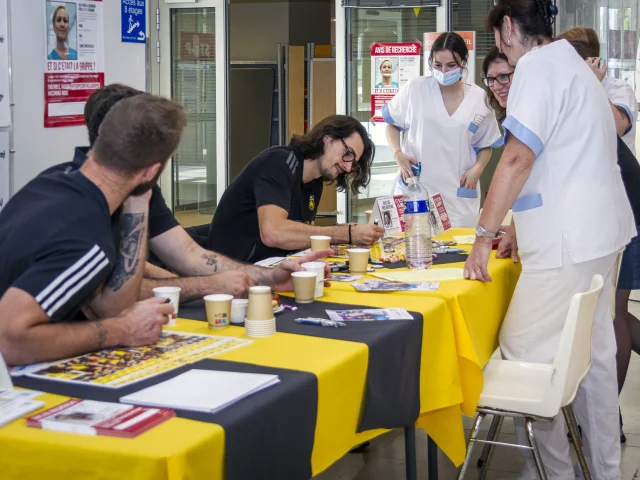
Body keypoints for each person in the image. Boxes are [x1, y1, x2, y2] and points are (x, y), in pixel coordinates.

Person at [464, 1, 635, 478]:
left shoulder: (537, 68)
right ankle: (603, 471)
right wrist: (517, 225)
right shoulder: (572, 64)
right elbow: (565, 156)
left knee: (522, 352)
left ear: (508, 29)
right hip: (602, 233)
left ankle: (552, 472)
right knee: (595, 358)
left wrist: (482, 235)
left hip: (569, 241)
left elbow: (519, 158)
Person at [42, 84, 332, 301]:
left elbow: (186, 254)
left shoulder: (141, 189)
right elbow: (109, 296)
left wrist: (265, 278)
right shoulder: (73, 200)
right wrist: (211, 286)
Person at [0, 94, 186, 366]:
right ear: (151, 172)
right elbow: (8, 340)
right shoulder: (87, 240)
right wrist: (122, 330)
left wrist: (139, 200)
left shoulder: (53, 180)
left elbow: (113, 306)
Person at [558, 32, 640, 445]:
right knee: (604, 314)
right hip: (590, 215)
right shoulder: (563, 89)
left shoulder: (615, 88)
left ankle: (610, 418)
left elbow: (617, 124)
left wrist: (590, 84)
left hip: (624, 213)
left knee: (613, 314)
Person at [207, 115, 384, 263]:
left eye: (353, 163)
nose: (347, 167)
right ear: (328, 137)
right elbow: (273, 232)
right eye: (348, 154)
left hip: (272, 270)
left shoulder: (315, 182)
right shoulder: (278, 162)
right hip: (235, 273)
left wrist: (345, 232)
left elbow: (304, 235)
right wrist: (345, 233)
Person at [383, 32, 503, 228]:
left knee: (457, 252)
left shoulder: (479, 99)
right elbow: (392, 124)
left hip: (458, 192)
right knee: (413, 248)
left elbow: (485, 144)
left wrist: (478, 169)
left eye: (451, 65)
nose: (444, 71)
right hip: (416, 187)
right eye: (438, 65)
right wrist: (398, 154)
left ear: (463, 62)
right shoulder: (416, 88)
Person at [557, 27, 637, 155]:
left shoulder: (619, 89)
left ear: (592, 62)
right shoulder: (566, 91)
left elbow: (618, 128)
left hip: (617, 173)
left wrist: (592, 83)